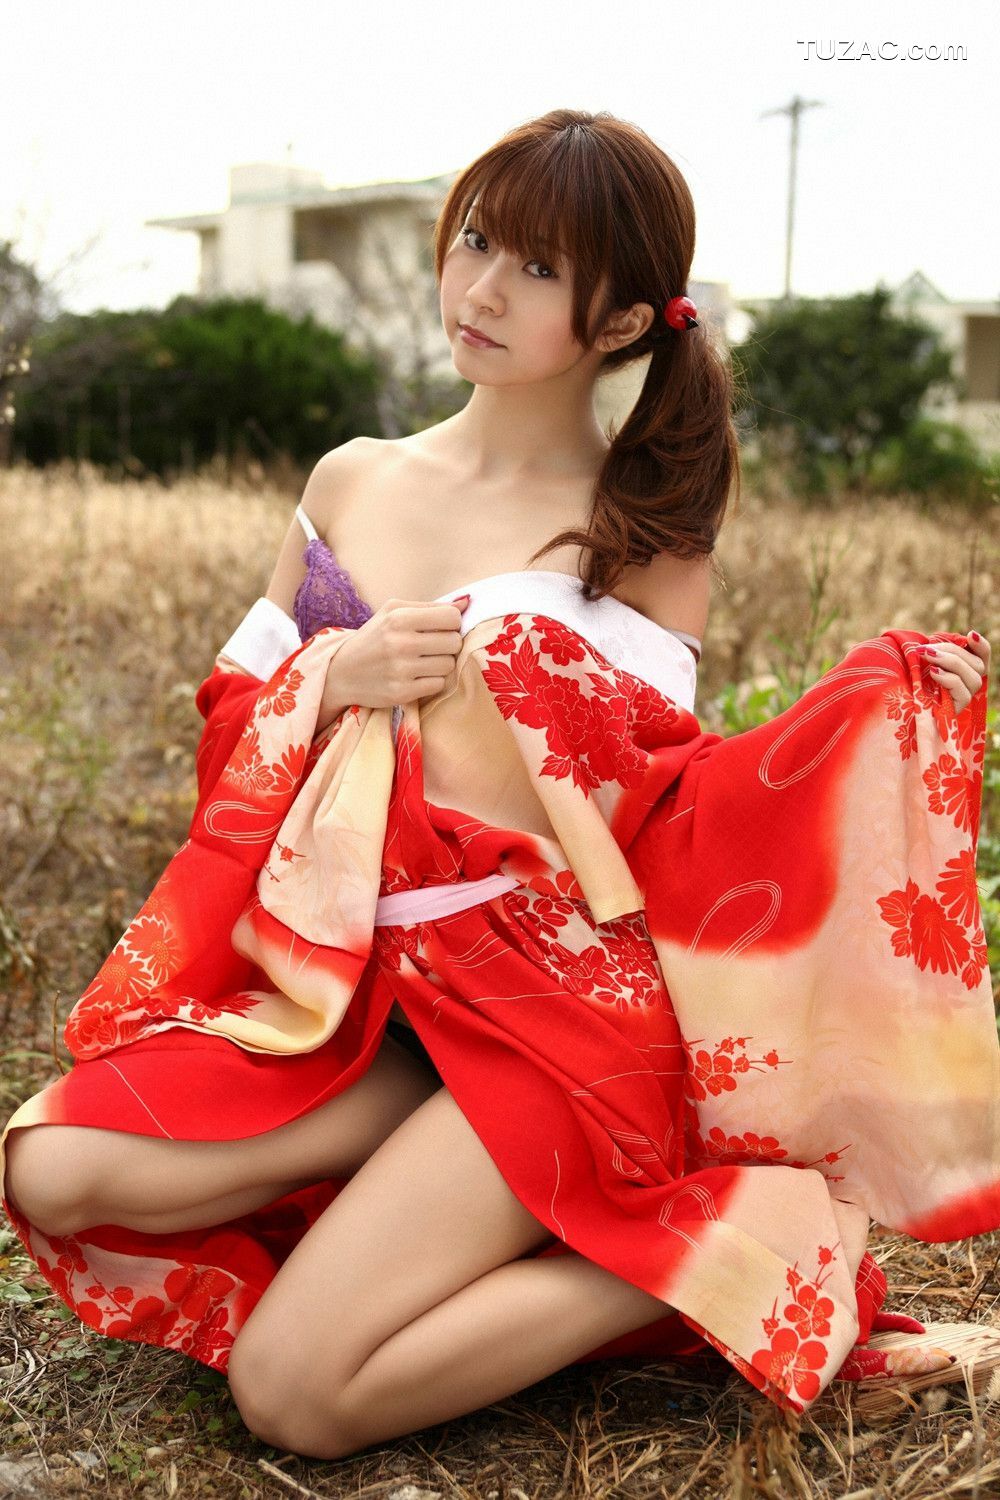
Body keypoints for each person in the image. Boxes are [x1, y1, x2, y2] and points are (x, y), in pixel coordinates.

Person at [1, 108, 995, 1460]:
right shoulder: (351, 482)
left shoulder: (638, 533)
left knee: (293, 1394)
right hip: (362, 1001)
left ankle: (740, 1246)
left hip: (547, 1015)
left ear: (624, 320)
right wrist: (333, 676)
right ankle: (417, 1171)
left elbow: (665, 810)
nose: (479, 287)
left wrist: (868, 708)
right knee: (53, 1169)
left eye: (535, 269)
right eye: (475, 240)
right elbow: (231, 727)